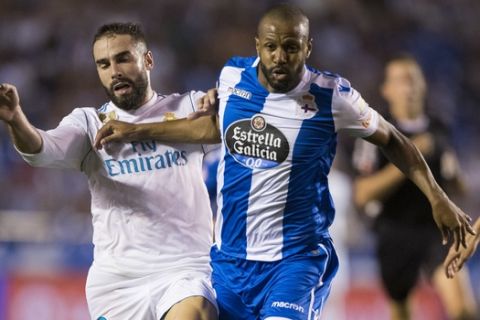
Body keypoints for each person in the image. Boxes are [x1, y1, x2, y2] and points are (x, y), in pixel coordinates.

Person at [94, 5, 474, 320]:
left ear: (307, 48)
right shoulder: (231, 77)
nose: (280, 57)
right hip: (230, 264)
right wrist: (136, 130)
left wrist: (436, 197)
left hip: (295, 262)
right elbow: (213, 129)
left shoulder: (333, 96)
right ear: (258, 45)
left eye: (291, 47)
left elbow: (393, 139)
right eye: (271, 47)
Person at [0, 23, 218, 320]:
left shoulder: (188, 107)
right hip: (118, 283)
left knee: (195, 312)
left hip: (185, 270)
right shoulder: (89, 123)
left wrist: (137, 131)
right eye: (103, 64)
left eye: (123, 58)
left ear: (148, 60)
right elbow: (42, 150)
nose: (113, 70)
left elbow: (219, 130)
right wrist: (16, 120)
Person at [352, 55, 478, 320]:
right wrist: (411, 158)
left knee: (463, 309)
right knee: (401, 312)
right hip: (394, 230)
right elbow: (362, 194)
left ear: (424, 85)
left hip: (437, 230)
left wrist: (454, 175)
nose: (408, 86)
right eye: (400, 80)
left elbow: (458, 187)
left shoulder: (439, 128)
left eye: (413, 79)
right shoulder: (375, 131)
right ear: (386, 89)